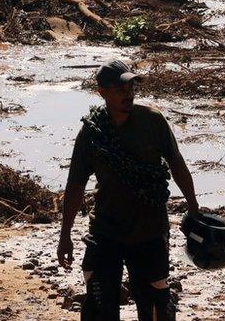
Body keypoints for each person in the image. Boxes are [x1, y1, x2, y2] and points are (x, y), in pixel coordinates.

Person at [58, 60, 200, 321]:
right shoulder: (93, 133)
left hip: (149, 230)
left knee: (155, 307)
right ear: (102, 92)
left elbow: (177, 164)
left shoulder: (153, 121)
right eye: (119, 88)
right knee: (99, 304)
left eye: (131, 86)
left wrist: (193, 207)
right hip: (106, 230)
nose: (128, 93)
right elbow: (75, 185)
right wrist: (65, 234)